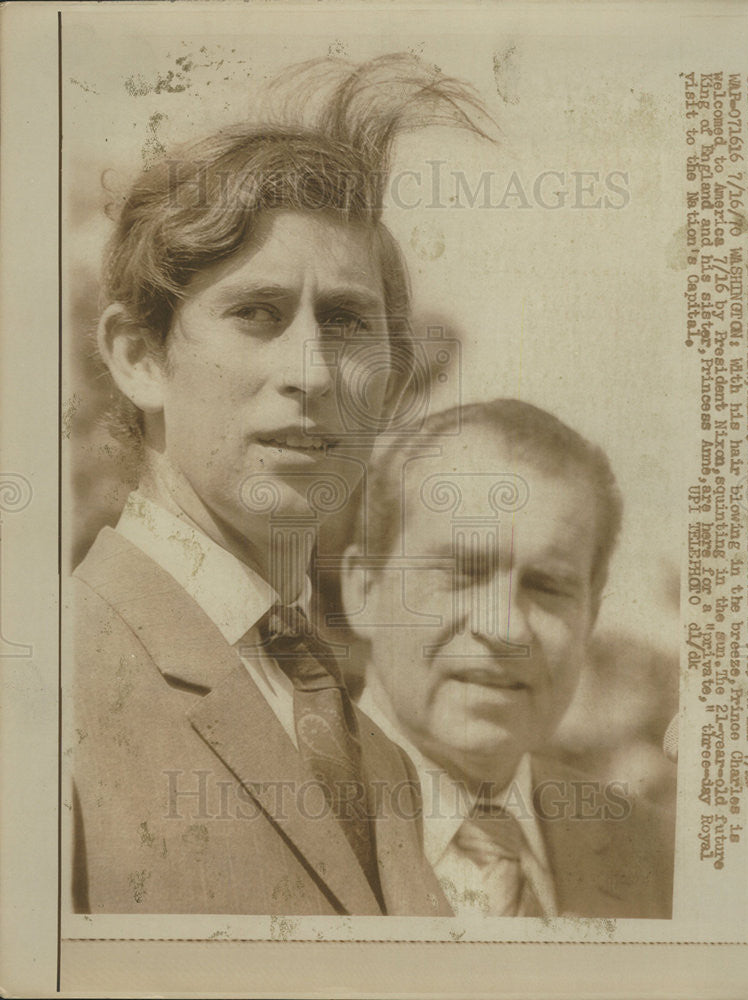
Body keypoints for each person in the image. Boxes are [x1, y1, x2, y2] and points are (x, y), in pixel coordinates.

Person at [65, 54, 492, 916]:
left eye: (345, 323)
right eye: (256, 312)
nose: (312, 371)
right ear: (139, 357)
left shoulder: (380, 761)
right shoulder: (45, 684)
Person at [339, 399, 675, 918]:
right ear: (363, 589)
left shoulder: (660, 858)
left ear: (590, 616)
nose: (507, 628)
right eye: (462, 574)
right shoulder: (257, 819)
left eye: (549, 586)